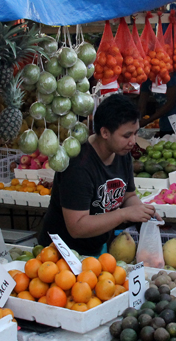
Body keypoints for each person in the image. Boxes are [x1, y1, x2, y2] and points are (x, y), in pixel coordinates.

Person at [39, 94, 154, 255]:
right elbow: (77, 227)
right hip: (60, 256)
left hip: (96, 249)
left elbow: (128, 196)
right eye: (127, 135)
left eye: (135, 133)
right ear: (105, 133)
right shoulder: (78, 166)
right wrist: (124, 214)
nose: (133, 141)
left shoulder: (122, 154)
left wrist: (143, 212)